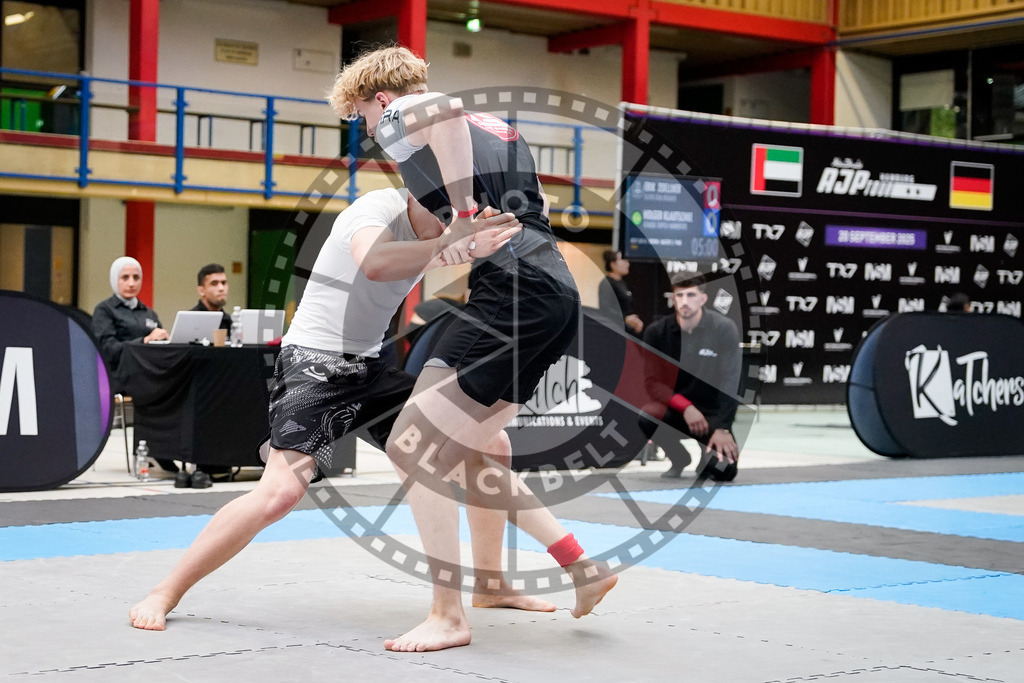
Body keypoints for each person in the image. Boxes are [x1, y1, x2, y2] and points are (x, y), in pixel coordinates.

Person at [128, 188, 554, 631]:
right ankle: (166, 590)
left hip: (368, 367)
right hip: (313, 361)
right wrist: (456, 246)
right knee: (280, 492)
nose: (451, 207)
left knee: (490, 440)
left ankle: (490, 583)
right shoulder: (375, 209)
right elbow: (374, 263)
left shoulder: (454, 223)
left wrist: (526, 207)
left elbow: (513, 215)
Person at [330, 45, 617, 653]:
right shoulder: (502, 127)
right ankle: (562, 571)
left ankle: (448, 614)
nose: (365, 131)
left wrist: (460, 211)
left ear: (379, 98)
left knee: (412, 445)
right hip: (542, 286)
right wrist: (454, 233)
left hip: (515, 291)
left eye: (358, 115)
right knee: (482, 444)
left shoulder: (399, 113)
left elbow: (446, 111)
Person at [639, 270, 742, 481]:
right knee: (648, 415)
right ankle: (679, 458)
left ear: (703, 298)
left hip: (712, 414)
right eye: (679, 295)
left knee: (724, 472)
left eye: (691, 295)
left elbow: (731, 381)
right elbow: (652, 383)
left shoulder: (723, 328)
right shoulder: (657, 332)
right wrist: (685, 407)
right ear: (673, 298)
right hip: (677, 410)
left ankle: (706, 459)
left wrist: (722, 427)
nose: (685, 301)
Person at [92, 256, 169, 380]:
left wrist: (165, 341)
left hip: (148, 375)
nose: (131, 283)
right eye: (125, 277)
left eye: (136, 277)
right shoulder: (105, 310)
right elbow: (108, 350)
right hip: (119, 377)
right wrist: (144, 341)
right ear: (114, 279)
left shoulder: (148, 312)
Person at [598, 249, 643, 336]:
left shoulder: (622, 283)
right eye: (623, 260)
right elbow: (605, 309)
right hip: (614, 331)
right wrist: (625, 318)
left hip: (626, 330)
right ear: (613, 264)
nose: (627, 263)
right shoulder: (607, 283)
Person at [191, 263, 232, 332]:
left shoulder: (229, 322)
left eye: (223, 283)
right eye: (214, 283)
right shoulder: (190, 320)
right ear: (201, 291)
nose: (221, 288)